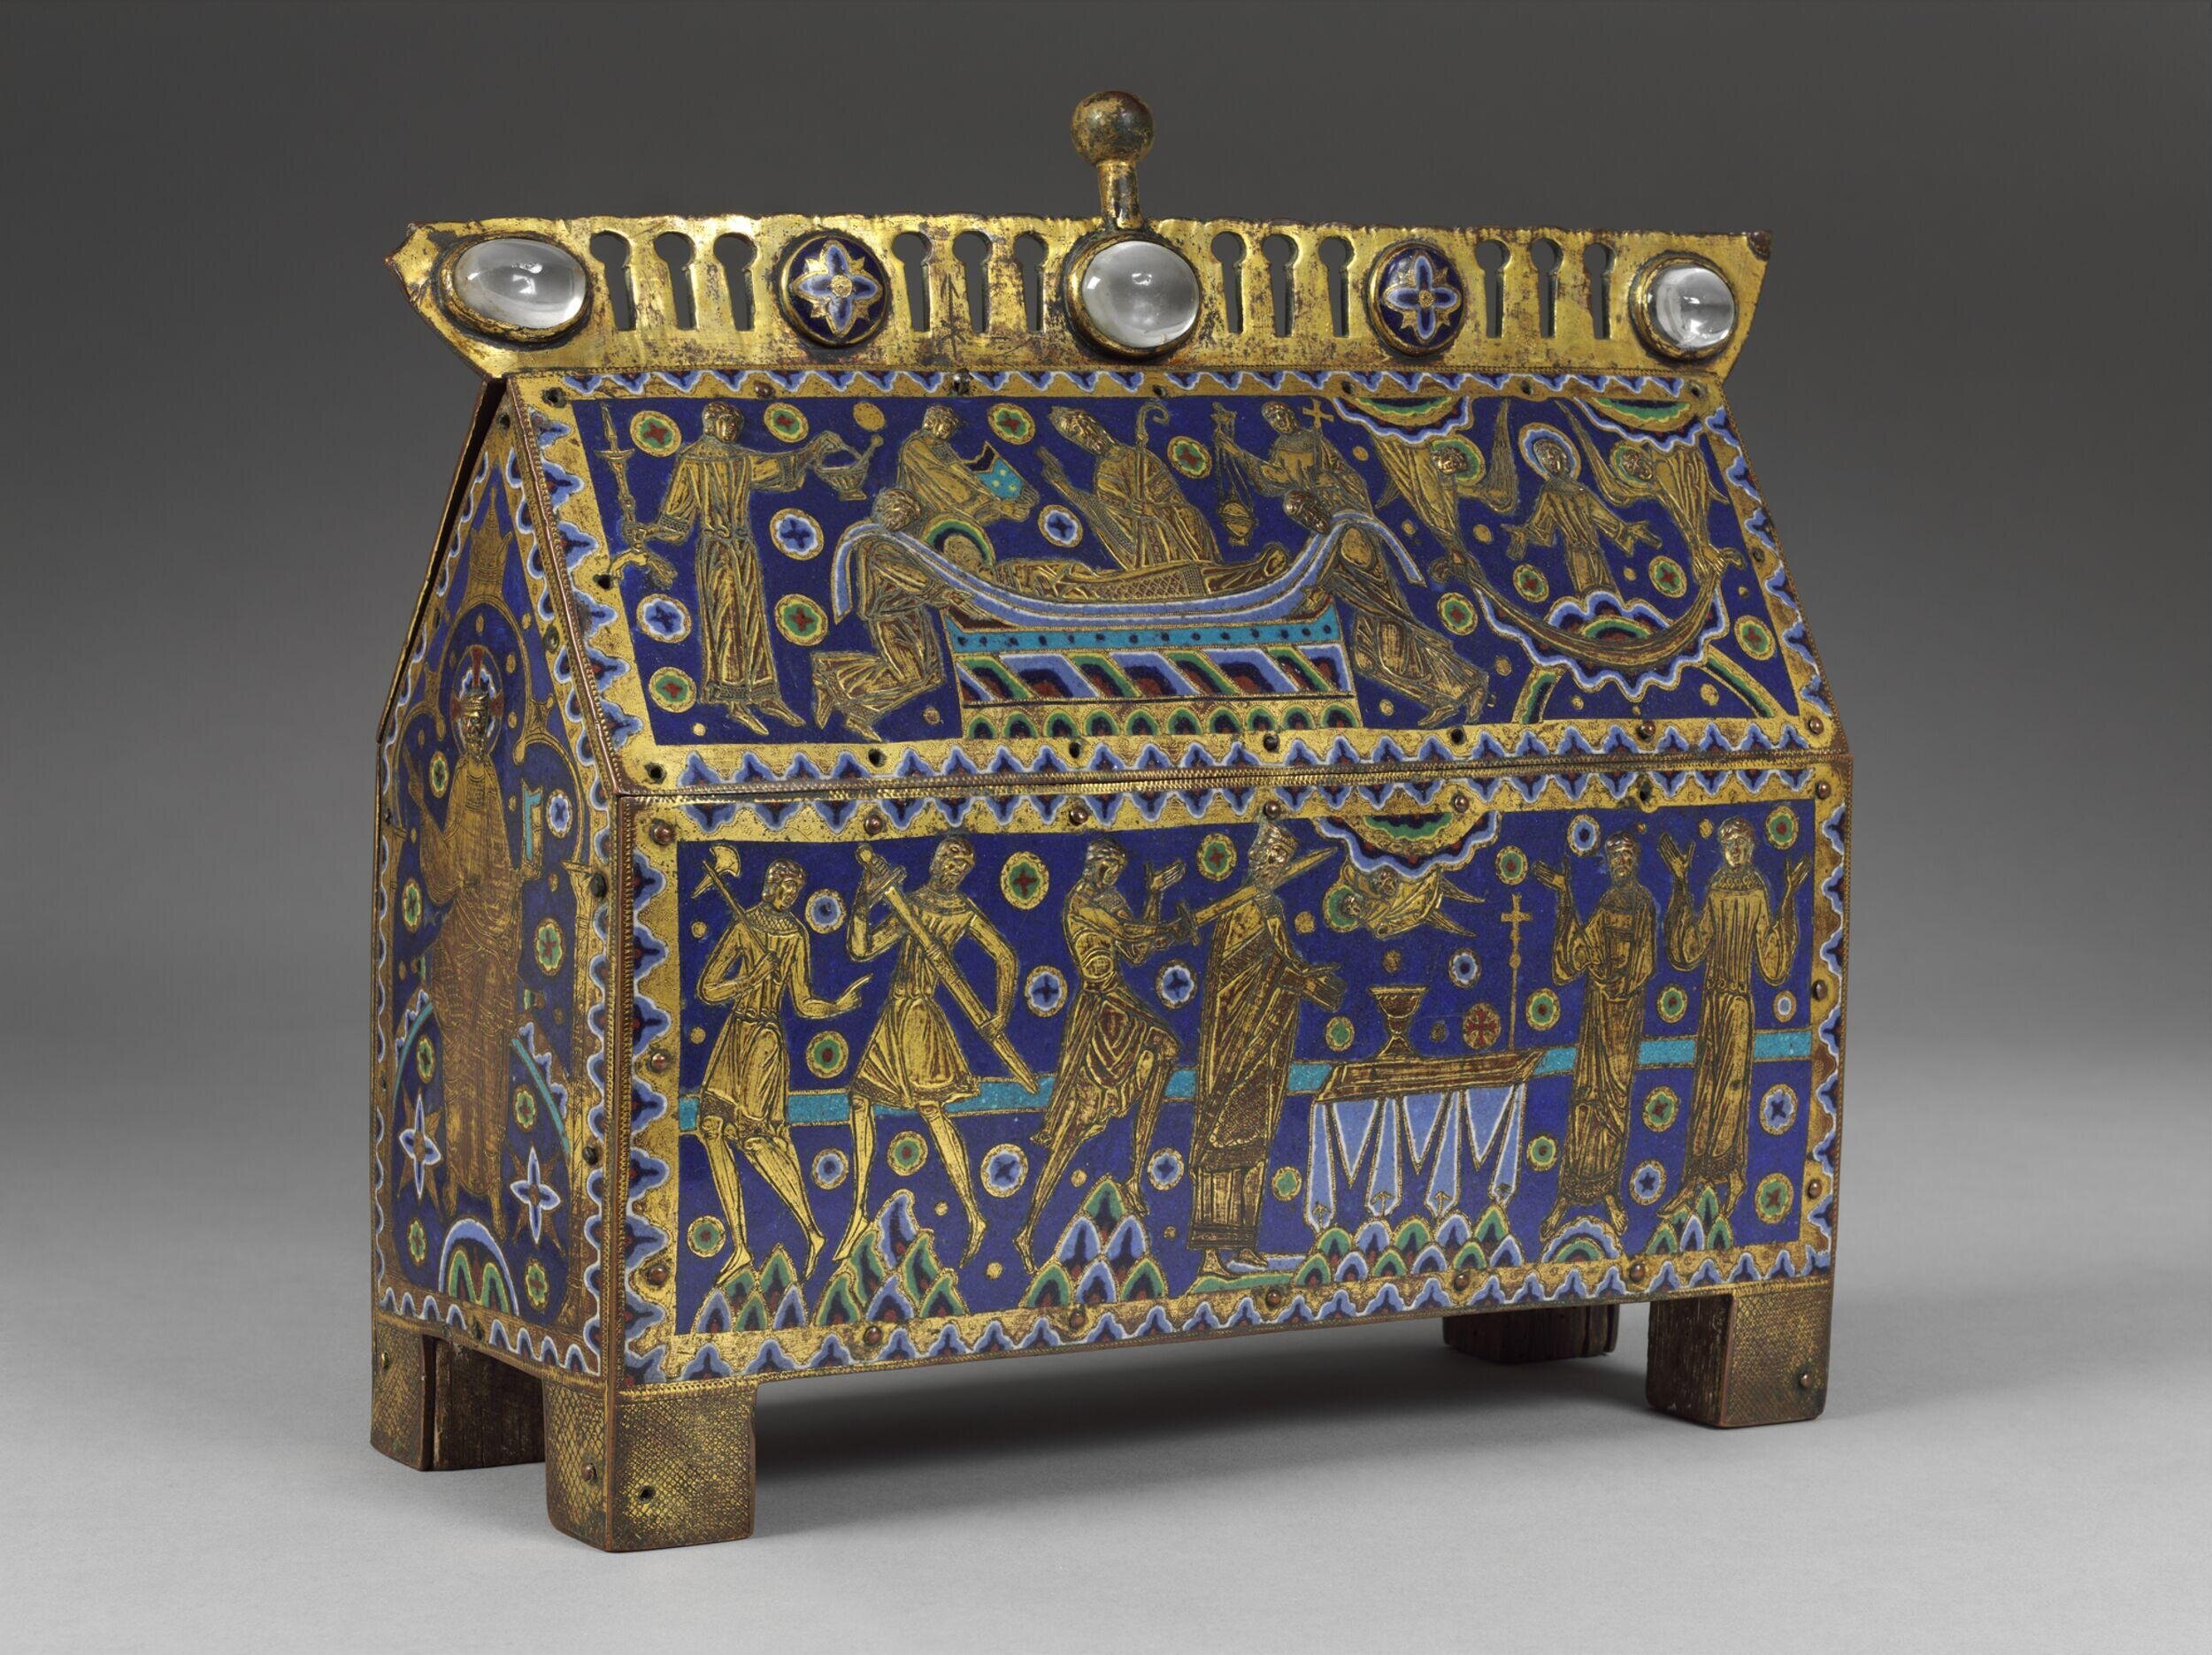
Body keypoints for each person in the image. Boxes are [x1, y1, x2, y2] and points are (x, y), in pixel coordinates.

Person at [1013, 839, 1189, 1269]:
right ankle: (1028, 1228)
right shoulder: (1079, 902)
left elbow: (1137, 951)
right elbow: (1127, 933)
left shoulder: (1111, 899)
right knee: (1076, 1124)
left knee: (1166, 1049)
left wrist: (1154, 897)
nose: (1110, 875)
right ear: (1092, 864)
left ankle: (1134, 1176)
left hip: (1120, 1001)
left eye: (1115, 869)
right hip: (1098, 1010)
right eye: (1105, 866)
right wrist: (1172, 929)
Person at [840, 838, 1017, 1265]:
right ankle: (859, 1211)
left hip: (919, 1015)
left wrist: (1001, 1013)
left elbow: (1005, 957)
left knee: (931, 1110)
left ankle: (973, 1213)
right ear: (934, 861)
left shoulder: (958, 911)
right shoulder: (910, 903)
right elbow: (862, 949)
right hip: (895, 1014)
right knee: (861, 1099)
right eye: (949, 860)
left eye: (963, 865)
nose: (954, 869)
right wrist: (862, 900)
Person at [694, 855, 866, 1286]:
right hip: (735, 1033)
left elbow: (803, 1002)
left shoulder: (795, 935)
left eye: (795, 889)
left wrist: (838, 1006)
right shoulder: (745, 925)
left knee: (755, 1139)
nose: (788, 894)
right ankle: (740, 1246)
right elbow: (708, 988)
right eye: (783, 885)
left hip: (765, 1040)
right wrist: (749, 979)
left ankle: (812, 1230)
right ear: (769, 884)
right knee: (711, 1129)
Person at [407, 652, 533, 1216]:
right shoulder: (465, 776)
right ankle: (460, 1171)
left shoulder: (484, 777)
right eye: (470, 725)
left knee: (488, 1058)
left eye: (484, 725)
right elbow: (459, 860)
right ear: (461, 727)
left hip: (493, 928)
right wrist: (425, 815)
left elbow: (490, 856)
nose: (477, 734)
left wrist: (511, 882)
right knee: (463, 1055)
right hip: (470, 930)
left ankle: (486, 1172)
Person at [1187, 821, 1342, 1274]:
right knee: (1219, 1141)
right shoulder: (1241, 909)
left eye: (1282, 859)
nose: (1275, 865)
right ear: (1254, 858)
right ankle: (1211, 1254)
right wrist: (1296, 979)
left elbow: (1281, 961)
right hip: (1235, 1042)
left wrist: (1303, 978)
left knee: (1255, 1142)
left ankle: (1244, 1241)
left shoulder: (1270, 905)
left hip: (1266, 1041)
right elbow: (1236, 973)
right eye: (1270, 856)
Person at [635, 402, 837, 733]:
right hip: (715, 549)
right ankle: (735, 701)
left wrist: (812, 451)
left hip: (744, 548)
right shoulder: (692, 460)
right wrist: (649, 531)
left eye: (736, 424)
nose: (732, 428)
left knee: (753, 616)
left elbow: (777, 467)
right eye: (726, 422)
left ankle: (765, 694)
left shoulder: (740, 458)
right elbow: (676, 517)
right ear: (710, 424)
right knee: (726, 619)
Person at [1660, 818, 1808, 1223]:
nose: (1736, 850)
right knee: (1706, 1088)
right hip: (1712, 1002)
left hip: (1739, 1002)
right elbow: (1691, 947)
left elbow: (1772, 960)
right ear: (1723, 849)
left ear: (1752, 847)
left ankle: (1732, 1175)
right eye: (1730, 844)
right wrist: (1680, 883)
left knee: (1733, 1089)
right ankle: (1694, 1178)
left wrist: (1790, 895)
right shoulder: (1716, 890)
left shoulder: (1758, 892)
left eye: (1742, 843)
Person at [1533, 829, 1656, 1245]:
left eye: (1627, 855)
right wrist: (1565, 894)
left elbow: (1643, 962)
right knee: (1586, 1102)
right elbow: (1580, 948)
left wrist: (1618, 984)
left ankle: (1608, 1192)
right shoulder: (1605, 903)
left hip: (1624, 1016)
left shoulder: (1643, 904)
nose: (1621, 862)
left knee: (1614, 1106)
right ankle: (1567, 1194)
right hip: (1597, 1014)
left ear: (1635, 861)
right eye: (1615, 856)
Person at [1283, 489, 1489, 725]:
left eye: (1309, 510)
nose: (1310, 518)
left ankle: (1472, 682)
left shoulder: (1347, 530)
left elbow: (1365, 566)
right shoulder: (1323, 545)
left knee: (1395, 661)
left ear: (1318, 503)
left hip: (1383, 605)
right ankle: (1437, 700)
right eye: (1303, 518)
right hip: (1365, 608)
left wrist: (1327, 579)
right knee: (1365, 662)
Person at [811, 488, 973, 738]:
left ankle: (857, 714)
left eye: (907, 518)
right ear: (885, 508)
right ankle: (831, 674)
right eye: (902, 512)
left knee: (929, 677)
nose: (903, 520)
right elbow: (904, 573)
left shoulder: (893, 542)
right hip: (890, 617)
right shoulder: (875, 543)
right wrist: (941, 591)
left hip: (912, 615)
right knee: (910, 676)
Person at [1038, 404, 1220, 579]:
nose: (1085, 434)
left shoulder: (1139, 457)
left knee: (1191, 516)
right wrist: (1067, 490)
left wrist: (1156, 511)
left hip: (1174, 528)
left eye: (1084, 425)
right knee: (1147, 532)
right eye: (1075, 433)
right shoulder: (1104, 477)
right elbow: (1109, 518)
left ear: (1096, 424)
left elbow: (1174, 498)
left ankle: (1201, 568)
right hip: (1146, 544)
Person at [1503, 426, 1659, 596]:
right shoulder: (1549, 493)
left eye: (1553, 455)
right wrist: (1524, 534)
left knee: (1607, 590)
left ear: (1563, 456)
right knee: (1587, 590)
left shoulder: (1581, 491)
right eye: (1545, 460)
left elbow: (1606, 519)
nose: (1551, 461)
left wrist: (1628, 530)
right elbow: (1540, 525)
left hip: (1594, 548)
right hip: (1576, 550)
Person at [895, 404, 1037, 548]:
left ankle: (996, 509)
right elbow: (943, 480)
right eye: (945, 421)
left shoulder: (941, 447)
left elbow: (961, 472)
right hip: (930, 504)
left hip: (955, 506)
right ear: (931, 421)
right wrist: (986, 502)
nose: (948, 427)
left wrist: (990, 496)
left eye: (951, 426)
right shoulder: (915, 446)